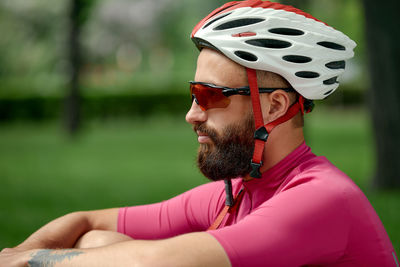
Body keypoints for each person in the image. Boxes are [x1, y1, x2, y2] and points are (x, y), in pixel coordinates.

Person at [0, 0, 398, 266]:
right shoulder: (237, 191)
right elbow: (85, 220)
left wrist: (31, 261)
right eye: (193, 93)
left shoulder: (323, 199)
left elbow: (156, 263)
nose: (191, 115)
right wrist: (16, 253)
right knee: (96, 244)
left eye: (210, 95)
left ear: (275, 106)